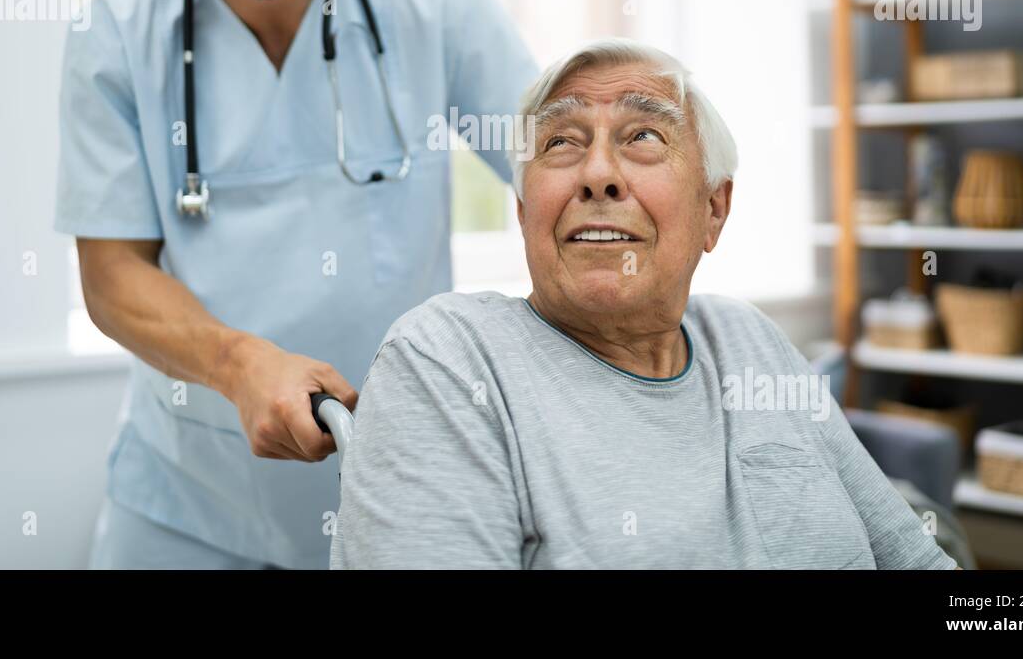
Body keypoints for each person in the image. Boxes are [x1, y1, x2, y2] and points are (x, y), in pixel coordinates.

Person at [55, 0, 536, 568]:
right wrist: (240, 363)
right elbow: (111, 276)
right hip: (186, 498)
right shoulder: (117, 40)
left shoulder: (439, 3)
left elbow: (558, 172)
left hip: (399, 487)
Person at [330, 38, 959, 569]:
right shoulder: (448, 359)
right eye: (561, 143)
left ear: (714, 209)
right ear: (524, 212)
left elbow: (913, 558)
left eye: (644, 135)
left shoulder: (749, 338)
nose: (597, 173)